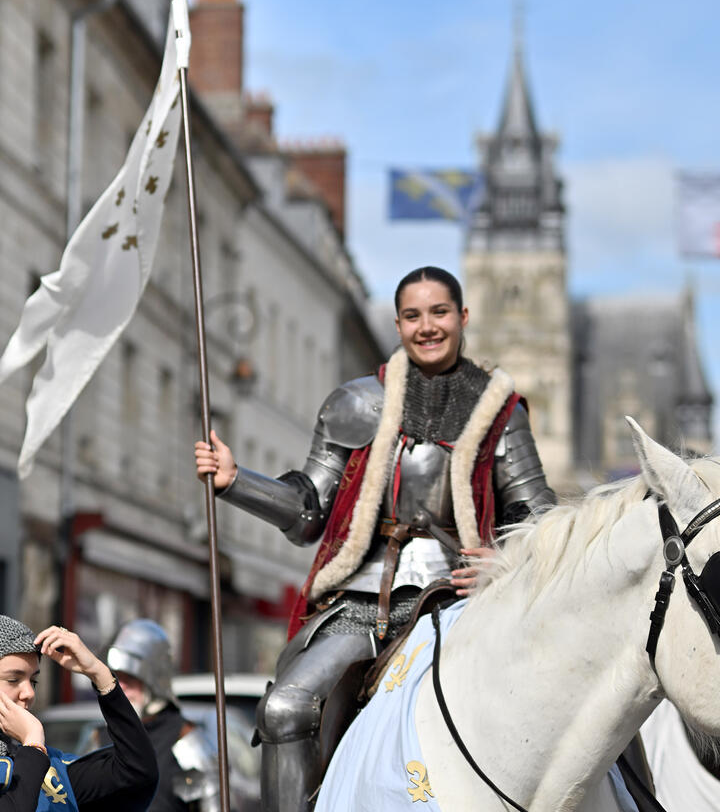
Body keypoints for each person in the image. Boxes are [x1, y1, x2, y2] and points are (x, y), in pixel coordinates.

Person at [195, 265, 556, 812]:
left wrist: (503, 562)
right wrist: (235, 480)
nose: (427, 326)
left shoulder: (499, 412)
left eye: (439, 313)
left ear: (462, 317)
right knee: (285, 710)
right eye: (413, 315)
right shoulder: (355, 402)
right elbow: (308, 511)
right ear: (397, 324)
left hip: (457, 600)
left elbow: (541, 516)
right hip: (360, 600)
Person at [0, 616, 158, 812]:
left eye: (34, 681)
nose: (29, 693)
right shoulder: (34, 754)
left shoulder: (49, 767)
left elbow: (137, 773)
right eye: (13, 680)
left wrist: (99, 674)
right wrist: (32, 743)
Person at [103, 619, 219, 812]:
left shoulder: (185, 738)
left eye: (130, 679)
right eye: (115, 678)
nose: (119, 687)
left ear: (153, 681)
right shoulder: (100, 736)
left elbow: (212, 806)